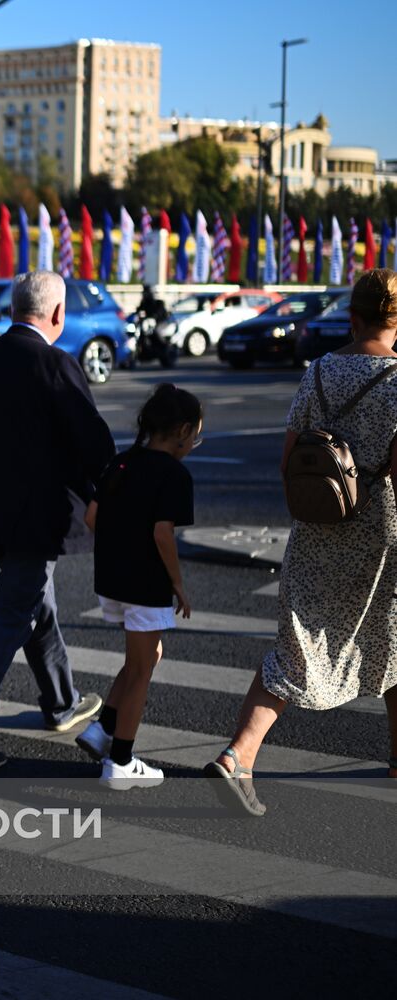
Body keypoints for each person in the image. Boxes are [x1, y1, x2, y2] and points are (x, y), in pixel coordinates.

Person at [206, 268, 397, 816]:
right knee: (395, 641)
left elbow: (289, 459)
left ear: (353, 316)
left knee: (296, 649)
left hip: (315, 533)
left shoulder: (317, 372)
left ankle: (238, 756)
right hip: (380, 539)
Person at [0, 270, 116, 770]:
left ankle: (61, 703)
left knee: (37, 604)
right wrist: (107, 495)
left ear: (14, 308)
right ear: (57, 314)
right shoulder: (56, 363)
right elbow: (95, 445)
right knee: (13, 613)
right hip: (39, 518)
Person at [77, 385, 202, 789]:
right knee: (142, 671)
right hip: (144, 584)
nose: (194, 443)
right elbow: (163, 533)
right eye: (196, 435)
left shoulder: (121, 462)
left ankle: (102, 730)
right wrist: (178, 584)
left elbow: (92, 519)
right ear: (183, 430)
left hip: (110, 581)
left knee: (144, 657)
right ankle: (121, 763)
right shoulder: (174, 474)